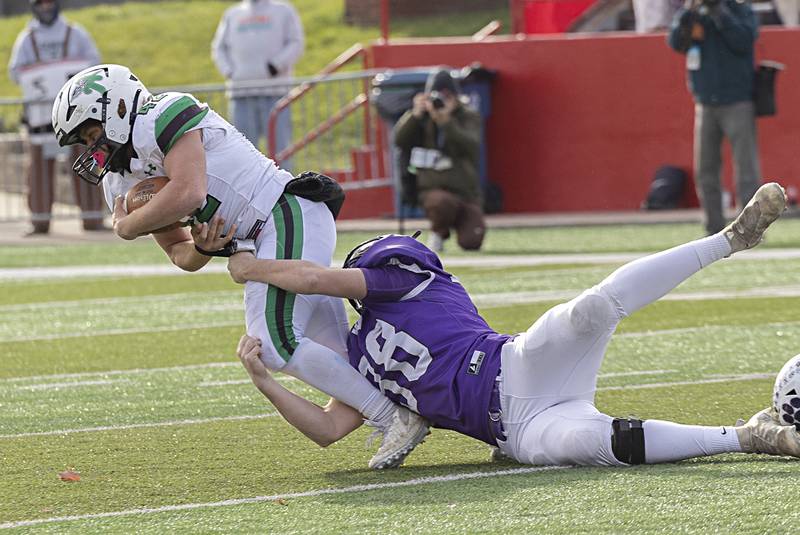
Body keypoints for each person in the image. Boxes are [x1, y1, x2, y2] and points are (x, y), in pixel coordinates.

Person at [229, 182, 800, 468]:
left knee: (590, 309)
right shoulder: (361, 352)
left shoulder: (407, 281)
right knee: (599, 444)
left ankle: (729, 240)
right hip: (516, 434)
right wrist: (265, 381)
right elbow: (329, 431)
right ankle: (750, 436)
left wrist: (250, 264)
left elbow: (311, 279)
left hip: (521, 362)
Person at [50, 63, 428, 469]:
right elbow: (182, 256)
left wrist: (125, 227)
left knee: (272, 341)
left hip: (282, 211)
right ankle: (441, 405)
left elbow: (187, 190)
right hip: (263, 235)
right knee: (341, 355)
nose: (94, 149)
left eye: (92, 135)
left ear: (118, 108)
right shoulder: (121, 182)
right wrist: (204, 246)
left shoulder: (162, 113)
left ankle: (394, 416)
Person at [7, 0, 104, 235]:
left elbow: (95, 63)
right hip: (40, 116)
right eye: (41, 4)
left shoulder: (76, 33)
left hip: (76, 114)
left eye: (49, 3)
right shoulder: (27, 39)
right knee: (39, 166)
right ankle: (40, 221)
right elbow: (15, 72)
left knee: (85, 160)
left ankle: (93, 218)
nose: (45, 8)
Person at [668, 0, 761, 236]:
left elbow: (743, 41)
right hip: (706, 103)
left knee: (746, 168)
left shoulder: (740, 10)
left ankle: (749, 229)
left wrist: (719, 11)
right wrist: (689, 12)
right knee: (706, 170)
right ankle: (713, 229)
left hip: (738, 100)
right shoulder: (693, 14)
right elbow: (676, 42)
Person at [393, 68, 485, 253]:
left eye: (448, 96)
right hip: (433, 190)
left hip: (465, 192)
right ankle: (438, 232)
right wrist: (415, 114)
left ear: (457, 97)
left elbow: (471, 146)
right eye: (438, 96)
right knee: (441, 202)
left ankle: (455, 223)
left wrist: (446, 122)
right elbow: (399, 140)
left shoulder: (468, 116)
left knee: (471, 241)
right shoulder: (421, 117)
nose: (442, 101)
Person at [211, 0, 304, 169]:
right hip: (240, 94)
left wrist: (276, 65)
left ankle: (285, 192)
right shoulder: (232, 14)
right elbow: (219, 48)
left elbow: (295, 42)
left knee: (280, 150)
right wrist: (229, 71)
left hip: (275, 93)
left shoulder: (283, 11)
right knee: (243, 152)